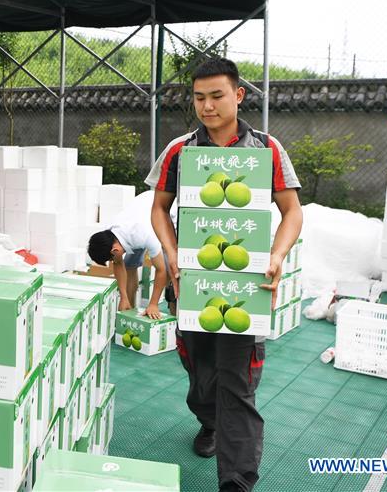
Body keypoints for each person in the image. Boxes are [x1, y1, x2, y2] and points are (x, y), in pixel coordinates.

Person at [146, 57, 302, 492]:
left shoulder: (266, 150)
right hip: (192, 285)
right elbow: (159, 207)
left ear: (238, 95)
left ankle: (236, 482)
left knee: (237, 384)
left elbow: (291, 211)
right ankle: (207, 419)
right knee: (200, 374)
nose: (207, 106)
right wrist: (171, 251)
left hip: (244, 288)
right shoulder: (180, 150)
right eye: (199, 97)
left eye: (217, 96)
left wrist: (276, 255)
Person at [87, 215, 169, 317]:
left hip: (164, 219)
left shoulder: (145, 236)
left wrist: (153, 304)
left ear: (114, 250)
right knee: (129, 265)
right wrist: (123, 297)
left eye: (111, 259)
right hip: (137, 224)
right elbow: (118, 263)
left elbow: (161, 270)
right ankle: (129, 309)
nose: (113, 261)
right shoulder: (109, 234)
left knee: (170, 270)